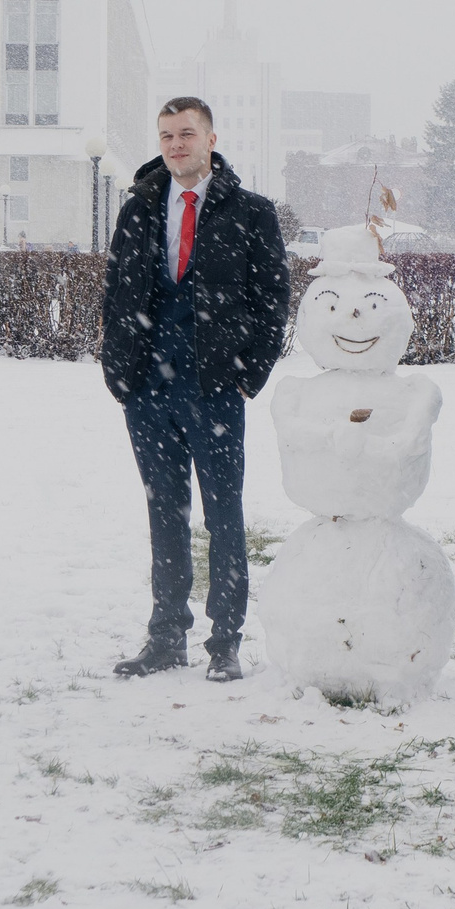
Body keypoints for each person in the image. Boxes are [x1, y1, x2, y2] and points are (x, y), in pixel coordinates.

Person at [99, 95, 294, 682]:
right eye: (166, 135)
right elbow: (116, 289)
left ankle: (225, 641)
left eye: (186, 133)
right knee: (165, 510)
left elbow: (272, 300)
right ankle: (165, 636)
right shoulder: (137, 208)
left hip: (213, 386)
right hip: (147, 387)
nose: (175, 144)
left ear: (211, 138)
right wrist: (119, 371)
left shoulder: (250, 212)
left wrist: (246, 374)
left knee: (223, 512)